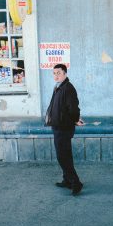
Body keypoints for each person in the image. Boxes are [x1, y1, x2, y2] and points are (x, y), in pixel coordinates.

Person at [45, 64, 84, 195]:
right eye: (54, 73)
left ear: (65, 74)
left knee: (63, 157)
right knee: (65, 155)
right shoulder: (59, 87)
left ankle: (76, 183)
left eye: (59, 73)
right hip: (58, 126)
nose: (56, 75)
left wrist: (75, 119)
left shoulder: (68, 88)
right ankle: (67, 180)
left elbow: (73, 108)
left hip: (64, 128)